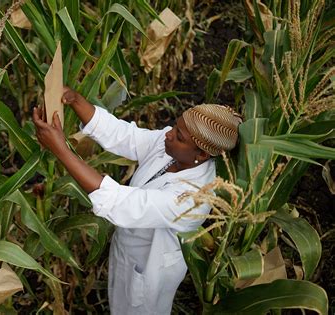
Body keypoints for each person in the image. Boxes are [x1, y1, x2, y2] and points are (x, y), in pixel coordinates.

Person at [32, 87, 242, 315]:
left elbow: (123, 202)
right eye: (175, 126)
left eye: (179, 136)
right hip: (128, 250)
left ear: (201, 155)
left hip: (149, 270)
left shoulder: (193, 197)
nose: (168, 134)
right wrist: (76, 100)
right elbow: (127, 136)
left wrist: (62, 150)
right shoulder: (172, 148)